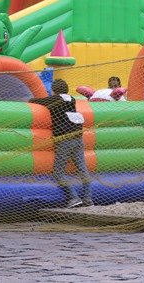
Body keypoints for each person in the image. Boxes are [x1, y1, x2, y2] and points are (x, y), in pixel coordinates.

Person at [29, 79, 93, 208]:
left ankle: (74, 198)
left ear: (54, 90)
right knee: (82, 169)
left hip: (65, 140)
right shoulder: (72, 99)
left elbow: (35, 101)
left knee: (58, 172)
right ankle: (87, 199)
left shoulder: (55, 98)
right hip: (78, 138)